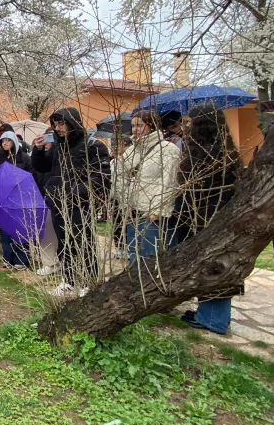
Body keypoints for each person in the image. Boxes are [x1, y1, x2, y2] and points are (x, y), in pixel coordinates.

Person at [175, 103, 241, 334]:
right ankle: (209, 314)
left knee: (215, 271)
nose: (185, 127)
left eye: (189, 123)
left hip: (210, 224)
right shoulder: (212, 153)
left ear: (202, 126)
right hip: (202, 222)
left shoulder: (216, 160)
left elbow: (216, 198)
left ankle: (214, 319)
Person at [32, 107, 110, 297]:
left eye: (61, 124)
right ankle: (69, 280)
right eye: (55, 124)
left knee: (84, 244)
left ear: (72, 123)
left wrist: (73, 193)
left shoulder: (93, 145)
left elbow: (101, 178)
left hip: (79, 204)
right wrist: (38, 150)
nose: (58, 128)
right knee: (64, 244)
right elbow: (42, 167)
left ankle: (89, 282)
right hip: (59, 203)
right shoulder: (60, 146)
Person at [113, 110, 181, 266]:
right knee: (136, 259)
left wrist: (157, 210)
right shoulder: (131, 151)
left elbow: (169, 182)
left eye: (140, 125)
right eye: (133, 126)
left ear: (151, 125)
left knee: (154, 260)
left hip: (153, 215)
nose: (136, 129)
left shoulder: (167, 150)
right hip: (134, 213)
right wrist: (125, 203)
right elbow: (120, 177)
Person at [0, 131, 34, 269]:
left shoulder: (25, 158)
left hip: (21, 199)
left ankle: (21, 259)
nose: (5, 143)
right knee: (5, 231)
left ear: (14, 142)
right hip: (4, 199)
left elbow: (31, 177)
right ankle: (7, 258)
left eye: (8, 140)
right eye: (3, 141)